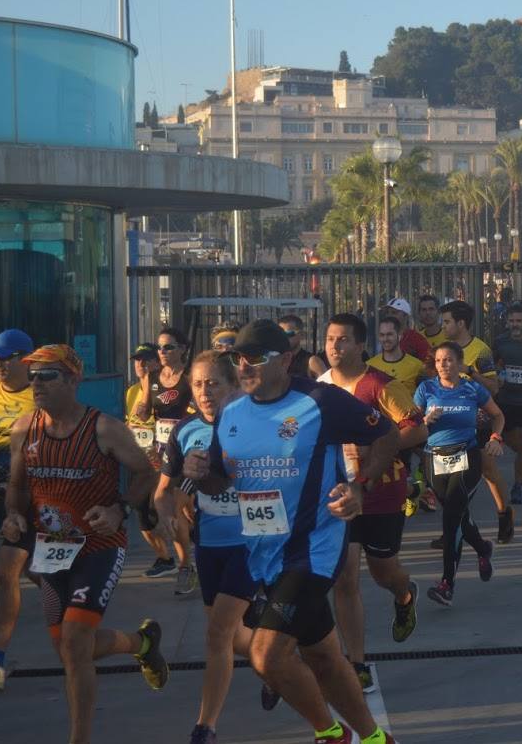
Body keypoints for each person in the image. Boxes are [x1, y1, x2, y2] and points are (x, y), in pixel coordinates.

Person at [183, 319, 400, 744]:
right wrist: (200, 473)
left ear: (284, 360)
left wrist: (361, 485)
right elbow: (220, 481)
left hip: (315, 547)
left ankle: (331, 734)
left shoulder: (321, 401)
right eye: (238, 358)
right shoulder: (231, 411)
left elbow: (388, 434)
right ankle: (375, 739)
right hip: (264, 551)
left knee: (266, 656)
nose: (244, 366)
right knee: (322, 655)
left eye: (255, 358)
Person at [1, 345, 169, 741]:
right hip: (50, 549)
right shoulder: (25, 428)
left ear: (73, 380)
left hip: (99, 546)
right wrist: (13, 514)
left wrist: (119, 509)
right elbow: (18, 485)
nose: (36, 384)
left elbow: (145, 474)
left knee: (76, 644)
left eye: (48, 376)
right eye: (33, 375)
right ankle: (141, 642)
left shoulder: (104, 428)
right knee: (71, 650)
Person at [156, 350, 280, 742]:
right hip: (211, 543)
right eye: (197, 384)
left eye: (213, 383)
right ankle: (276, 665)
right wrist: (168, 514)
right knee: (227, 633)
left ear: (232, 386)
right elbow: (164, 490)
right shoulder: (185, 431)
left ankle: (205, 727)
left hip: (254, 541)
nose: (205, 392)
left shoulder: (257, 423)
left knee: (217, 634)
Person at [318, 314, 423, 694]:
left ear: (361, 346)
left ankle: (405, 593)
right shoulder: (319, 388)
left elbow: (417, 427)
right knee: (345, 577)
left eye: (343, 340)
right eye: (330, 339)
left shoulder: (380, 385)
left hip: (382, 493)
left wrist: (383, 442)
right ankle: (356, 663)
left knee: (384, 573)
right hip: (339, 494)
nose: (334, 346)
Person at [415, 341, 504, 607]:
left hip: (467, 455)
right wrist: (424, 421)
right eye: (439, 360)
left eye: (449, 360)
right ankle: (481, 547)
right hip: (435, 458)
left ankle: (447, 585)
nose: (443, 365)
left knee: (451, 517)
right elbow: (408, 424)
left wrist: (496, 437)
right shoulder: (426, 388)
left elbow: (497, 415)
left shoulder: (471, 388)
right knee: (458, 515)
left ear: (460, 362)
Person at [440, 300, 513, 544]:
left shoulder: (480, 350)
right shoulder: (443, 350)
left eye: (447, 322)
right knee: (452, 478)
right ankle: (453, 528)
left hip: (478, 421)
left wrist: (470, 373)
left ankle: (505, 515)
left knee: (488, 472)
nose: (444, 326)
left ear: (461, 324)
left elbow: (493, 387)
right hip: (451, 423)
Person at [134, 326, 198, 595]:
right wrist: (140, 408)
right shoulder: (152, 376)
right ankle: (184, 564)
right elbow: (145, 410)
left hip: (188, 449)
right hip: (162, 451)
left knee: (184, 510)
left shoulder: (191, 377)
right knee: (162, 507)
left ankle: (189, 561)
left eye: (169, 347)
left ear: (183, 349)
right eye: (160, 347)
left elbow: (204, 409)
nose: (162, 352)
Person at [0, 328, 36, 692]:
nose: (0, 366)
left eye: (6, 358)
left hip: (26, 487)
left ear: (26, 359)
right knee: (7, 572)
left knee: (31, 570)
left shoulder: (42, 395)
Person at [493, 305, 522, 506]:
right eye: (511, 321)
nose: (515, 325)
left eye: (518, 321)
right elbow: (493, 365)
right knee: (510, 440)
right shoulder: (500, 341)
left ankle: (517, 485)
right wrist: (498, 375)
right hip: (505, 398)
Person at [367, 315, 425, 398]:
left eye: (389, 334)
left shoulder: (417, 366)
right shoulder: (370, 366)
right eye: (382, 335)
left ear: (400, 335)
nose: (385, 339)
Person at [376, 299, 432, 370]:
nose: (389, 316)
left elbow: (429, 364)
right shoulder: (382, 338)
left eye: (394, 313)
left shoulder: (416, 339)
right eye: (387, 313)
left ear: (405, 316)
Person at [278, 314, 326, 379]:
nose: (283, 338)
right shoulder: (276, 360)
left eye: (288, 334)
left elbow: (327, 387)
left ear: (301, 335)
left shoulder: (312, 362)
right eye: (280, 334)